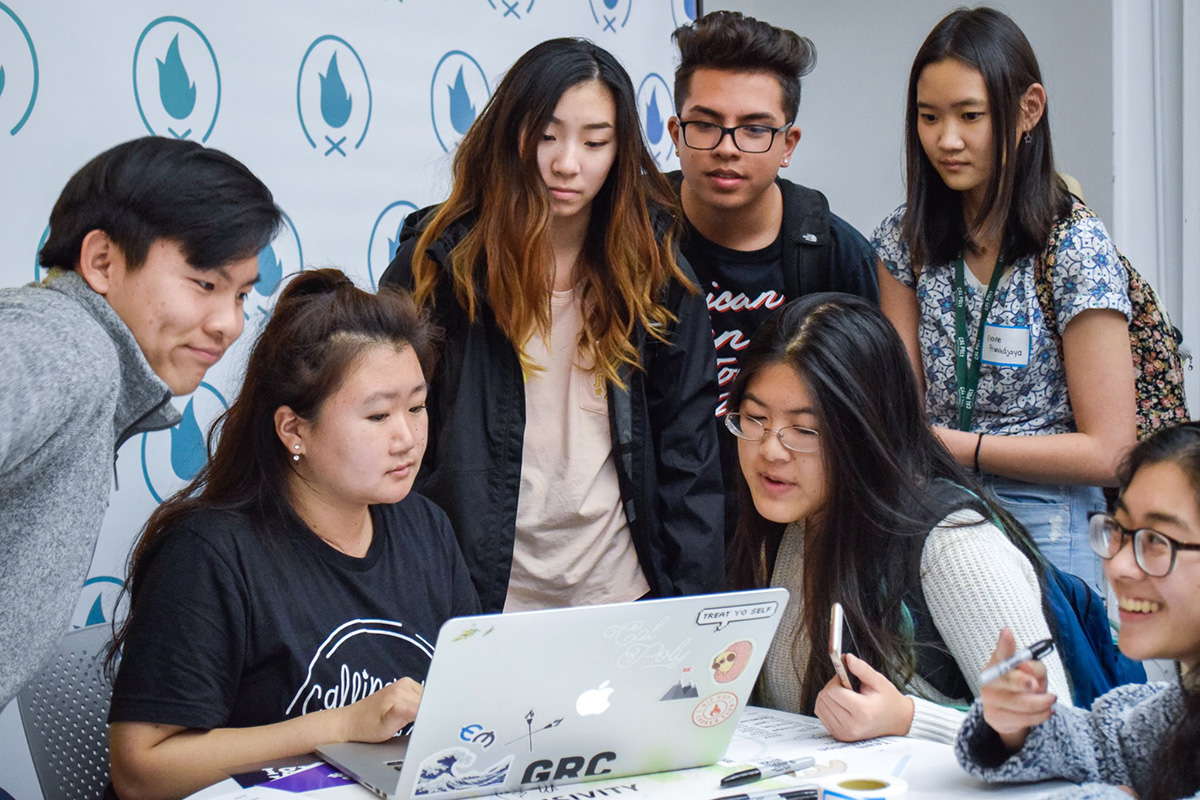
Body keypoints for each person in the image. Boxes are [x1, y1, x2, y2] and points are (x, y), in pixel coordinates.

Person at [106, 269, 480, 800]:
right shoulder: (210, 554)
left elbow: (469, 704)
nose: (407, 438)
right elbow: (141, 771)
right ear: (294, 429)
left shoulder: (425, 526)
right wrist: (337, 726)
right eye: (377, 415)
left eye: (417, 407)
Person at [379, 38, 723, 614]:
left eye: (595, 142)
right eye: (546, 136)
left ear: (620, 150)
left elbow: (690, 457)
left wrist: (693, 617)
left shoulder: (658, 273)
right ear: (509, 133)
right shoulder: (440, 266)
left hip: (623, 589)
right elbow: (392, 442)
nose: (568, 163)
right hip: (478, 595)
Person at [0, 137, 280, 709]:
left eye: (242, 295)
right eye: (205, 284)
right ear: (102, 261)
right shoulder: (66, 344)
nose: (229, 323)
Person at [725, 293, 1069, 745]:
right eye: (754, 418)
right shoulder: (791, 522)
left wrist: (909, 718)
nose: (770, 449)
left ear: (868, 429)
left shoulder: (954, 547)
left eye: (805, 430)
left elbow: (1060, 735)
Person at [875, 7, 1136, 589]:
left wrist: (962, 446)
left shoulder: (1073, 245)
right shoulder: (903, 241)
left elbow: (1112, 449)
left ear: (1028, 111)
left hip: (1049, 519)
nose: (947, 139)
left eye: (971, 115)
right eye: (928, 117)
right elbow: (902, 406)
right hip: (936, 512)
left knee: (1042, 681)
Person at [665, 10, 879, 537]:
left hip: (799, 527)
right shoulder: (630, 243)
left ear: (789, 144)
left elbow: (868, 417)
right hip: (661, 525)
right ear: (675, 132)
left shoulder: (835, 254)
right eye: (705, 124)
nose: (727, 147)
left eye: (755, 129)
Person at [958, 422, 1200, 800]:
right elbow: (1112, 748)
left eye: (1156, 540)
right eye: (1119, 529)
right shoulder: (1183, 709)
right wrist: (1019, 725)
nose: (1118, 565)